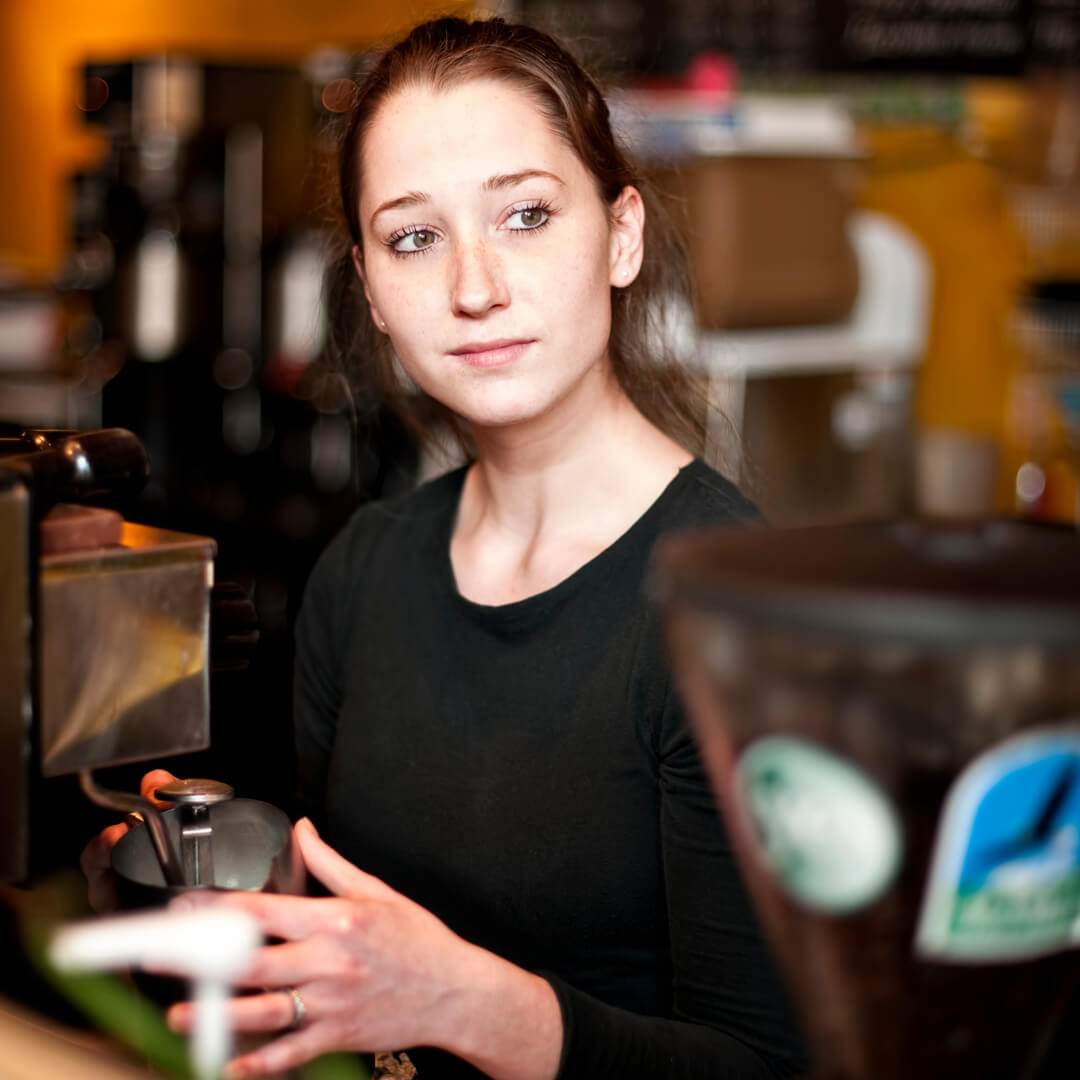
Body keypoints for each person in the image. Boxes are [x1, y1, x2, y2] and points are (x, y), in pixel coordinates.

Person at [83, 16, 808, 1080]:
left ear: (621, 235)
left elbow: (771, 1068)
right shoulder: (364, 571)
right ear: (372, 291)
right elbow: (358, 939)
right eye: (415, 237)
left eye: (524, 215)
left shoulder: (735, 609)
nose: (475, 287)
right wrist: (240, 909)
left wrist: (479, 1006)